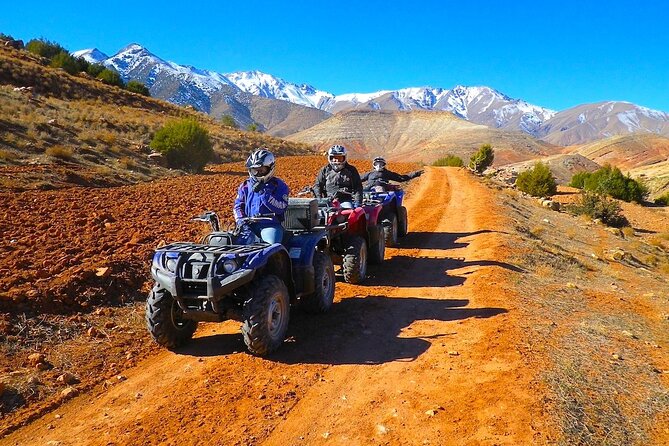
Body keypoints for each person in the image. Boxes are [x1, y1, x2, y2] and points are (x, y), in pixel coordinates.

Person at [233, 148, 289, 244]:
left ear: (270, 168)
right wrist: (241, 222)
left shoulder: (279, 185)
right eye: (255, 170)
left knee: (271, 248)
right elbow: (238, 205)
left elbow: (281, 207)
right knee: (233, 245)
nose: (257, 173)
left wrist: (265, 195)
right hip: (248, 226)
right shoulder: (245, 185)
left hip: (270, 225)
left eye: (261, 170)